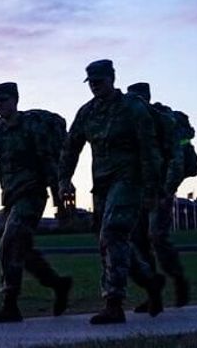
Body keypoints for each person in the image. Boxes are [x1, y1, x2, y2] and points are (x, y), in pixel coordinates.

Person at [59, 59, 165, 324]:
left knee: (112, 233)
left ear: (112, 78)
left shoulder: (132, 107)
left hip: (129, 180)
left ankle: (113, 303)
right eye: (91, 82)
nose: (95, 86)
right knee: (110, 242)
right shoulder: (87, 112)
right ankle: (150, 282)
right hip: (102, 185)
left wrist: (153, 188)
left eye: (100, 81)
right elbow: (71, 146)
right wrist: (64, 179)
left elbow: (149, 148)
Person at [0, 82, 73, 323]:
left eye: (4, 99)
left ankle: (10, 304)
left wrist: (59, 200)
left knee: (9, 242)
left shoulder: (32, 127)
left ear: (15, 100)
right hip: (10, 198)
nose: (0, 104)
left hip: (32, 194)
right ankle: (58, 284)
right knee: (21, 250)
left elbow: (48, 162)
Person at [125, 82, 191, 308]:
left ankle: (178, 280)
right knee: (137, 240)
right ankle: (153, 293)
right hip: (138, 190)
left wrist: (167, 189)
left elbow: (177, 158)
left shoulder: (163, 121)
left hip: (160, 188)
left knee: (156, 236)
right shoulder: (131, 125)